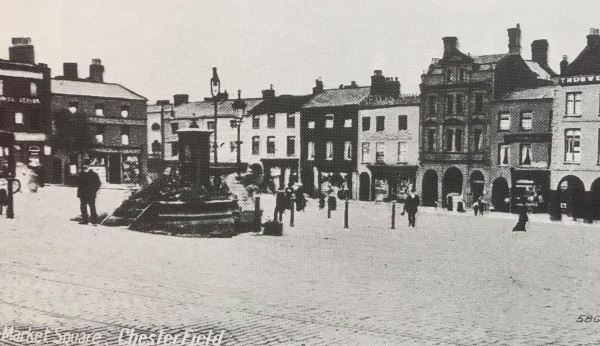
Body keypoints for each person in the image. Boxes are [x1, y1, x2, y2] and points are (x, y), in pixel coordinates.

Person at [77, 160, 102, 225]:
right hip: (84, 194)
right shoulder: (82, 174)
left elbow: (98, 184)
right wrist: (79, 193)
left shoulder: (93, 174)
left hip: (89, 193)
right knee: (84, 206)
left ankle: (93, 221)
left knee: (91, 206)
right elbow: (79, 184)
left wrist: (94, 191)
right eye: (84, 165)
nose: (85, 166)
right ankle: (85, 220)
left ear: (89, 166)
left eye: (86, 165)